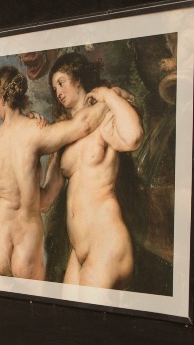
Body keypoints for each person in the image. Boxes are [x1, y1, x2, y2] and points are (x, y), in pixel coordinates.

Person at [0, 66, 99, 281]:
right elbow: (83, 125)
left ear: (4, 98)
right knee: (31, 308)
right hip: (25, 234)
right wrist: (109, 98)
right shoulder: (35, 130)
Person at [43, 52, 144, 288]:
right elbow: (45, 199)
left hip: (105, 240)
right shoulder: (64, 137)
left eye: (61, 82)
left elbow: (133, 137)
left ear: (78, 80)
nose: (58, 91)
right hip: (78, 251)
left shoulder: (104, 118)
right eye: (54, 87)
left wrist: (109, 94)